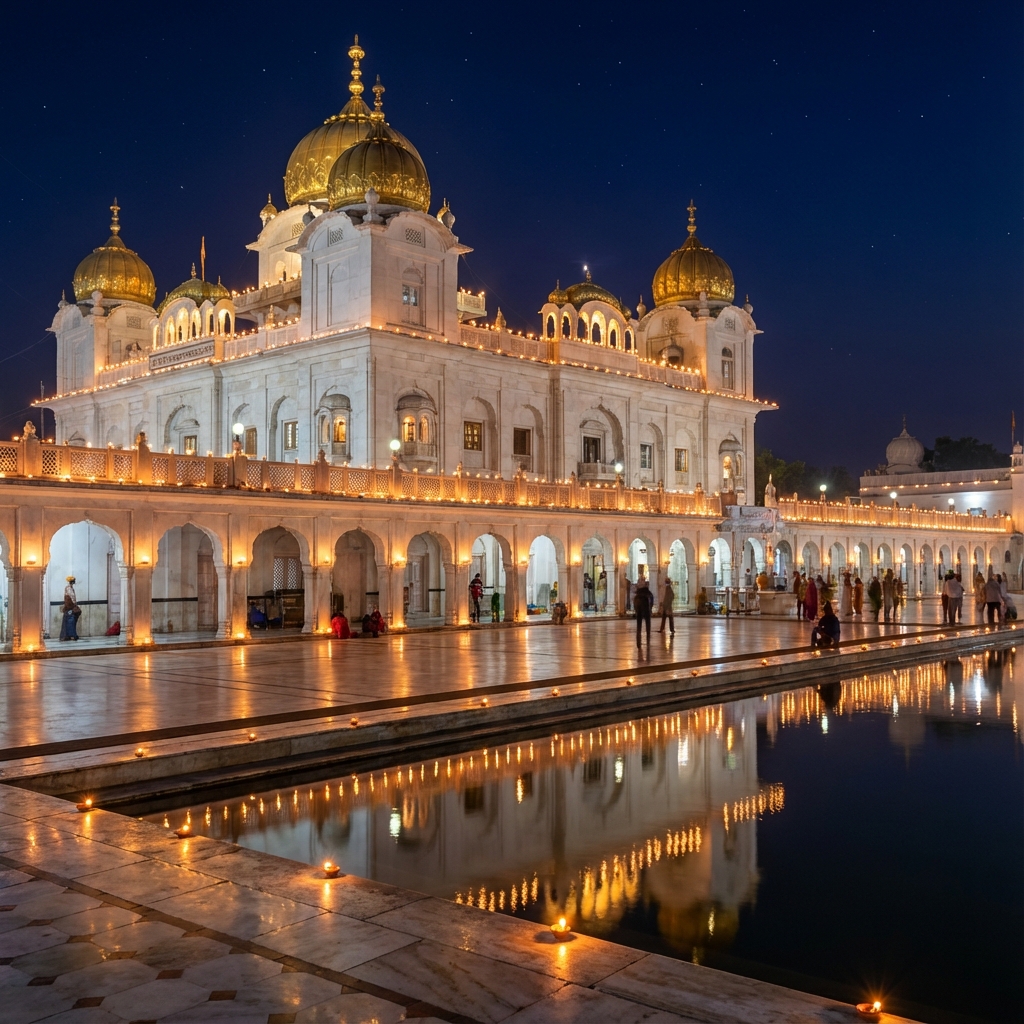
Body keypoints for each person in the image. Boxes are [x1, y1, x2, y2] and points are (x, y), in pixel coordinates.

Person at [633, 578, 653, 648]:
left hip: (639, 612)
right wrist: (650, 609)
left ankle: (638, 643)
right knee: (648, 627)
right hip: (647, 611)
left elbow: (635, 604)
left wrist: (636, 611)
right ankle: (648, 641)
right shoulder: (648, 594)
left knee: (639, 627)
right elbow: (651, 601)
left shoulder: (637, 595)